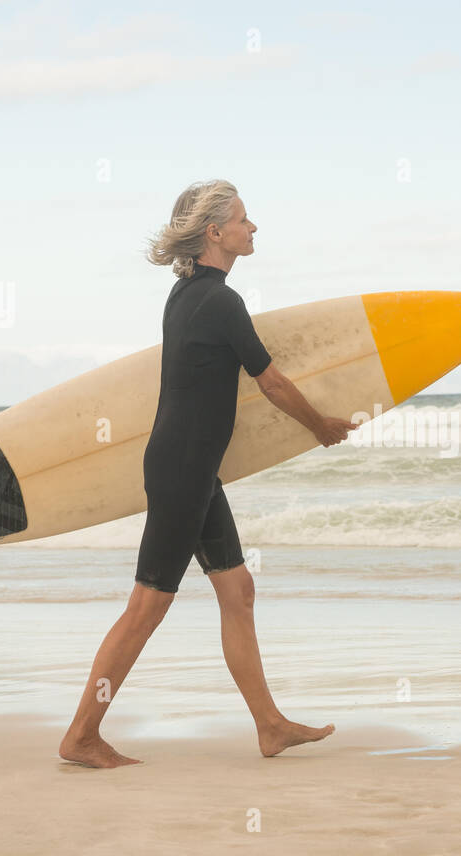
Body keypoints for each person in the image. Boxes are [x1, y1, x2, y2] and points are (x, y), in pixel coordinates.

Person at [59, 180, 357, 768]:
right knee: (146, 606)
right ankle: (81, 735)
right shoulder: (220, 302)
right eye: (244, 220)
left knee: (238, 591)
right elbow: (269, 381)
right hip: (182, 473)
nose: (253, 229)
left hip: (192, 470)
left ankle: (270, 726)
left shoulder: (185, 296)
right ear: (215, 233)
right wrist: (319, 425)